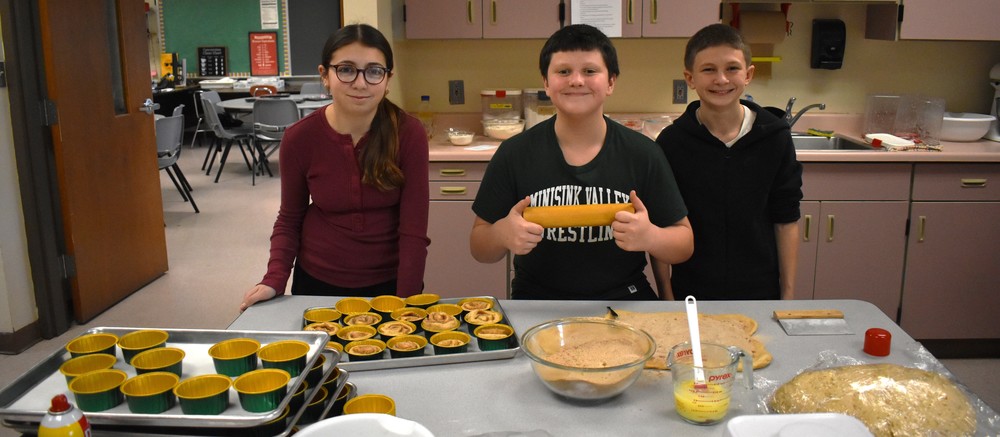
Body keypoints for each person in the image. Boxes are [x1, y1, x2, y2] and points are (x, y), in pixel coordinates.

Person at [470, 24, 693, 301]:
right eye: (563, 71)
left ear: (611, 82)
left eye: (590, 71)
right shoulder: (514, 153)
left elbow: (684, 242)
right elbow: (479, 247)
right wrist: (501, 234)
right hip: (538, 302)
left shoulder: (643, 153)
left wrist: (651, 237)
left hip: (624, 300)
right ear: (546, 82)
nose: (576, 81)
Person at [241, 24, 430, 311]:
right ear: (325, 76)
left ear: (388, 78)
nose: (361, 82)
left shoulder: (408, 133)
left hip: (389, 285)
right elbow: (289, 218)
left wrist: (406, 301)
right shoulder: (299, 138)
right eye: (346, 69)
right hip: (316, 283)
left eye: (374, 70)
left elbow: (414, 229)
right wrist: (274, 279)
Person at [655, 23, 803, 301]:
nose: (721, 79)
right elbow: (663, 223)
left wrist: (788, 296)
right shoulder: (671, 142)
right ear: (690, 78)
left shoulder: (775, 137)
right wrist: (667, 295)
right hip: (692, 292)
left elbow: (786, 220)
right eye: (708, 69)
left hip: (760, 292)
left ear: (748, 75)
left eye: (732, 68)